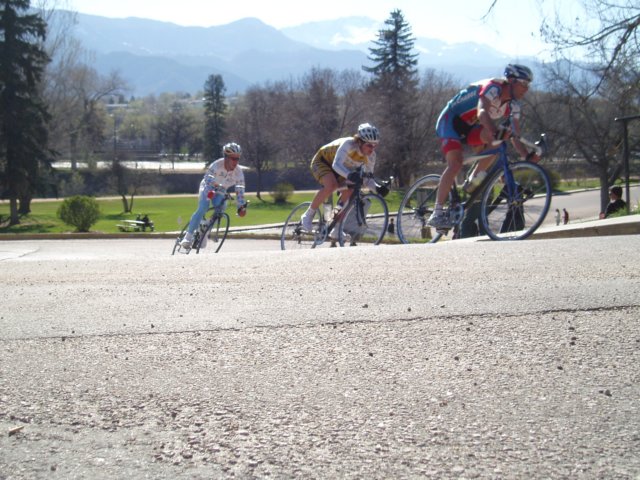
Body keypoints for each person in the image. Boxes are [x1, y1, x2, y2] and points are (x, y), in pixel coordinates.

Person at [427, 64, 539, 229]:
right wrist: (494, 131)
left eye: (528, 85)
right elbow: (482, 112)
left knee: (497, 142)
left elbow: (515, 136)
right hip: (451, 121)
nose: (526, 89)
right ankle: (436, 213)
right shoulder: (493, 88)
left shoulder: (514, 105)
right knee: (456, 163)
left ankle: (474, 180)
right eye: (523, 83)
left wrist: (527, 156)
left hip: (471, 126)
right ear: (511, 81)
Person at [299, 123, 388, 233]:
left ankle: (335, 227)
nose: (372, 149)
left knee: (350, 190)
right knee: (331, 185)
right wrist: (350, 175)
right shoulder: (349, 144)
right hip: (323, 161)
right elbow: (336, 165)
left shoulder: (371, 156)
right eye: (369, 145)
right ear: (360, 141)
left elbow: (367, 179)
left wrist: (378, 189)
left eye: (375, 145)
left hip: (342, 170)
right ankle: (308, 215)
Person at [180, 142, 247, 249]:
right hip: (208, 187)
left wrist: (241, 207)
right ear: (226, 157)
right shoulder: (216, 165)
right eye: (233, 159)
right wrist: (212, 190)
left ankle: (205, 230)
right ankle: (188, 236)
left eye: (237, 159)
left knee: (221, 207)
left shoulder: (238, 173)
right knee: (203, 207)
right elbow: (208, 179)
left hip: (221, 190)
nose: (236, 162)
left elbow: (240, 191)